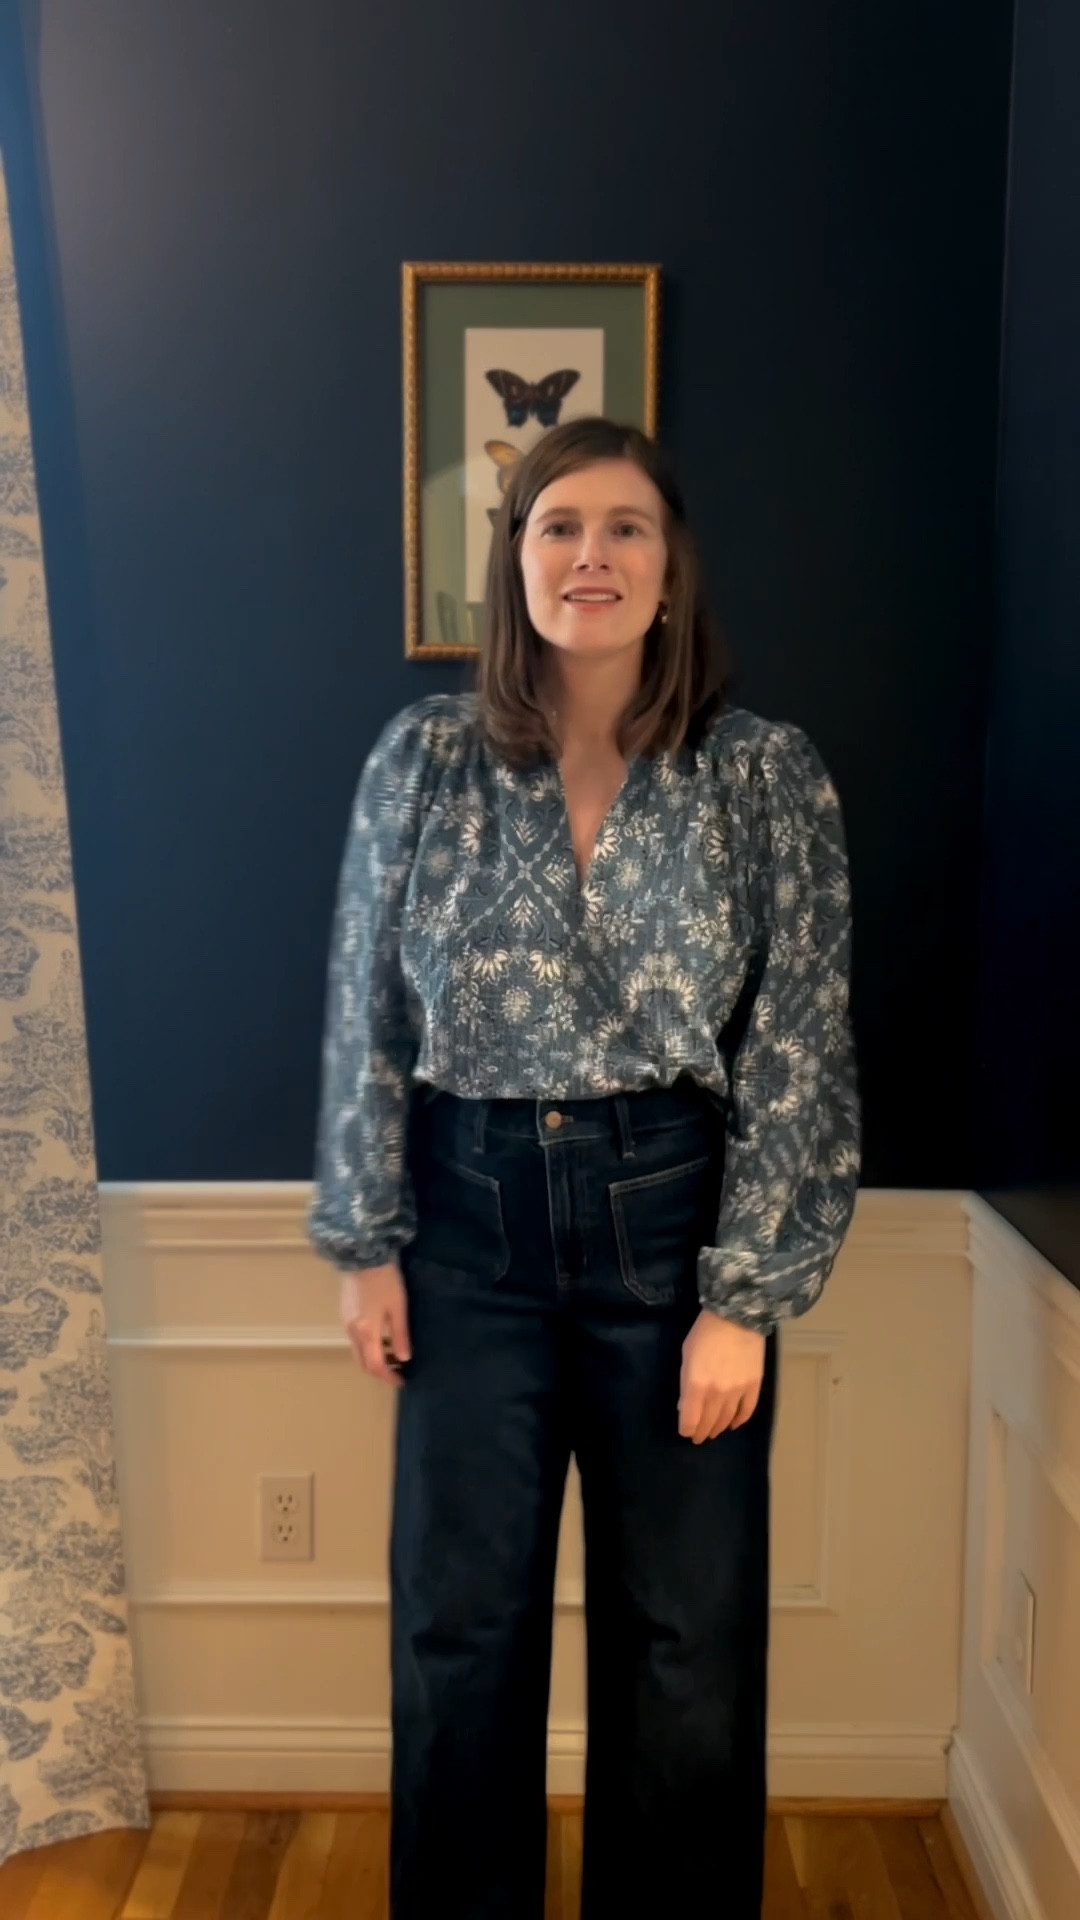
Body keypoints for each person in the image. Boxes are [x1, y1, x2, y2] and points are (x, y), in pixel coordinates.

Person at [307, 416, 860, 1919]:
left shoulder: (760, 777)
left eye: (626, 528)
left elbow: (799, 1044)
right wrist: (367, 1241)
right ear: (515, 564)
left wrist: (745, 1298)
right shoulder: (425, 762)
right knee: (458, 1635)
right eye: (558, 527)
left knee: (686, 1644)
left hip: (671, 1230)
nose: (591, 555)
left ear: (673, 570)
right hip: (465, 1229)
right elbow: (367, 1004)